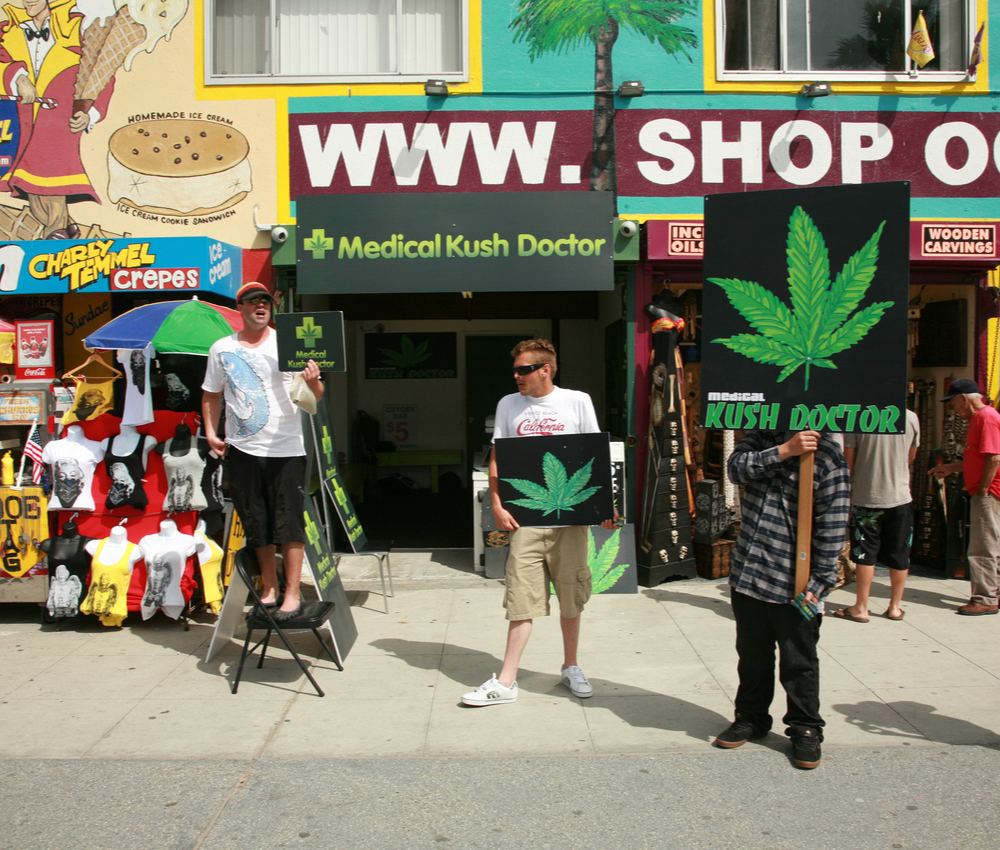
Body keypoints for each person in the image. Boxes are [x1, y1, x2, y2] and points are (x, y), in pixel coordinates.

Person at [461, 338, 616, 707]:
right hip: (526, 517)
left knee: (571, 597)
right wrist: (496, 503)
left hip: (571, 517)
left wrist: (604, 508)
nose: (517, 376)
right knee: (521, 599)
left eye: (524, 369)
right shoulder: (508, 404)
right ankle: (506, 680)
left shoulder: (577, 401)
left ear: (545, 369)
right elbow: (498, 457)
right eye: (515, 369)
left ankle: (571, 666)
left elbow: (592, 453)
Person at [714, 429, 850, 769]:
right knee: (752, 656)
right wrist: (784, 450)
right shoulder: (761, 439)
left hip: (796, 582)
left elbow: (833, 523)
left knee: (799, 662)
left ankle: (805, 728)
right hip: (750, 575)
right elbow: (735, 470)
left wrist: (819, 581)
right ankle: (751, 717)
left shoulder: (828, 457)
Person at [201, 282, 324, 621]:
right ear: (239, 308)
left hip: (286, 448)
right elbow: (211, 394)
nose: (260, 306)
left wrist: (314, 381)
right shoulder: (221, 349)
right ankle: (269, 586)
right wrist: (211, 432)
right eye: (252, 301)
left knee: (289, 524)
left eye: (265, 301)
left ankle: (294, 593)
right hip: (242, 449)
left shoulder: (288, 342)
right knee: (257, 523)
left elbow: (317, 395)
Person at [0, 0, 113, 238]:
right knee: (27, 181)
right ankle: (66, 226)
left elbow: (103, 73)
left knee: (50, 173)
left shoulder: (78, 30)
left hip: (60, 119)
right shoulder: (7, 29)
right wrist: (17, 77)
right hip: (22, 118)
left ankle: (56, 232)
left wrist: (90, 113)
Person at [835, 409, 920, 623]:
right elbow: (912, 456)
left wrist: (848, 490)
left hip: (867, 496)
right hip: (900, 496)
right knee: (900, 553)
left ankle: (862, 606)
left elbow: (849, 459)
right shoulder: (911, 418)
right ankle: (895, 607)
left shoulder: (859, 416)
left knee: (865, 554)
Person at [930, 378, 1000, 615]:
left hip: (988, 493)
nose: (954, 410)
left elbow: (994, 457)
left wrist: (983, 490)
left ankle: (985, 598)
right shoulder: (978, 420)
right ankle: (992, 593)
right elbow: (977, 459)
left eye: (953, 404)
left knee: (982, 547)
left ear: (964, 399)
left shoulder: (985, 418)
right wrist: (951, 468)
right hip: (984, 491)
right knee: (988, 544)